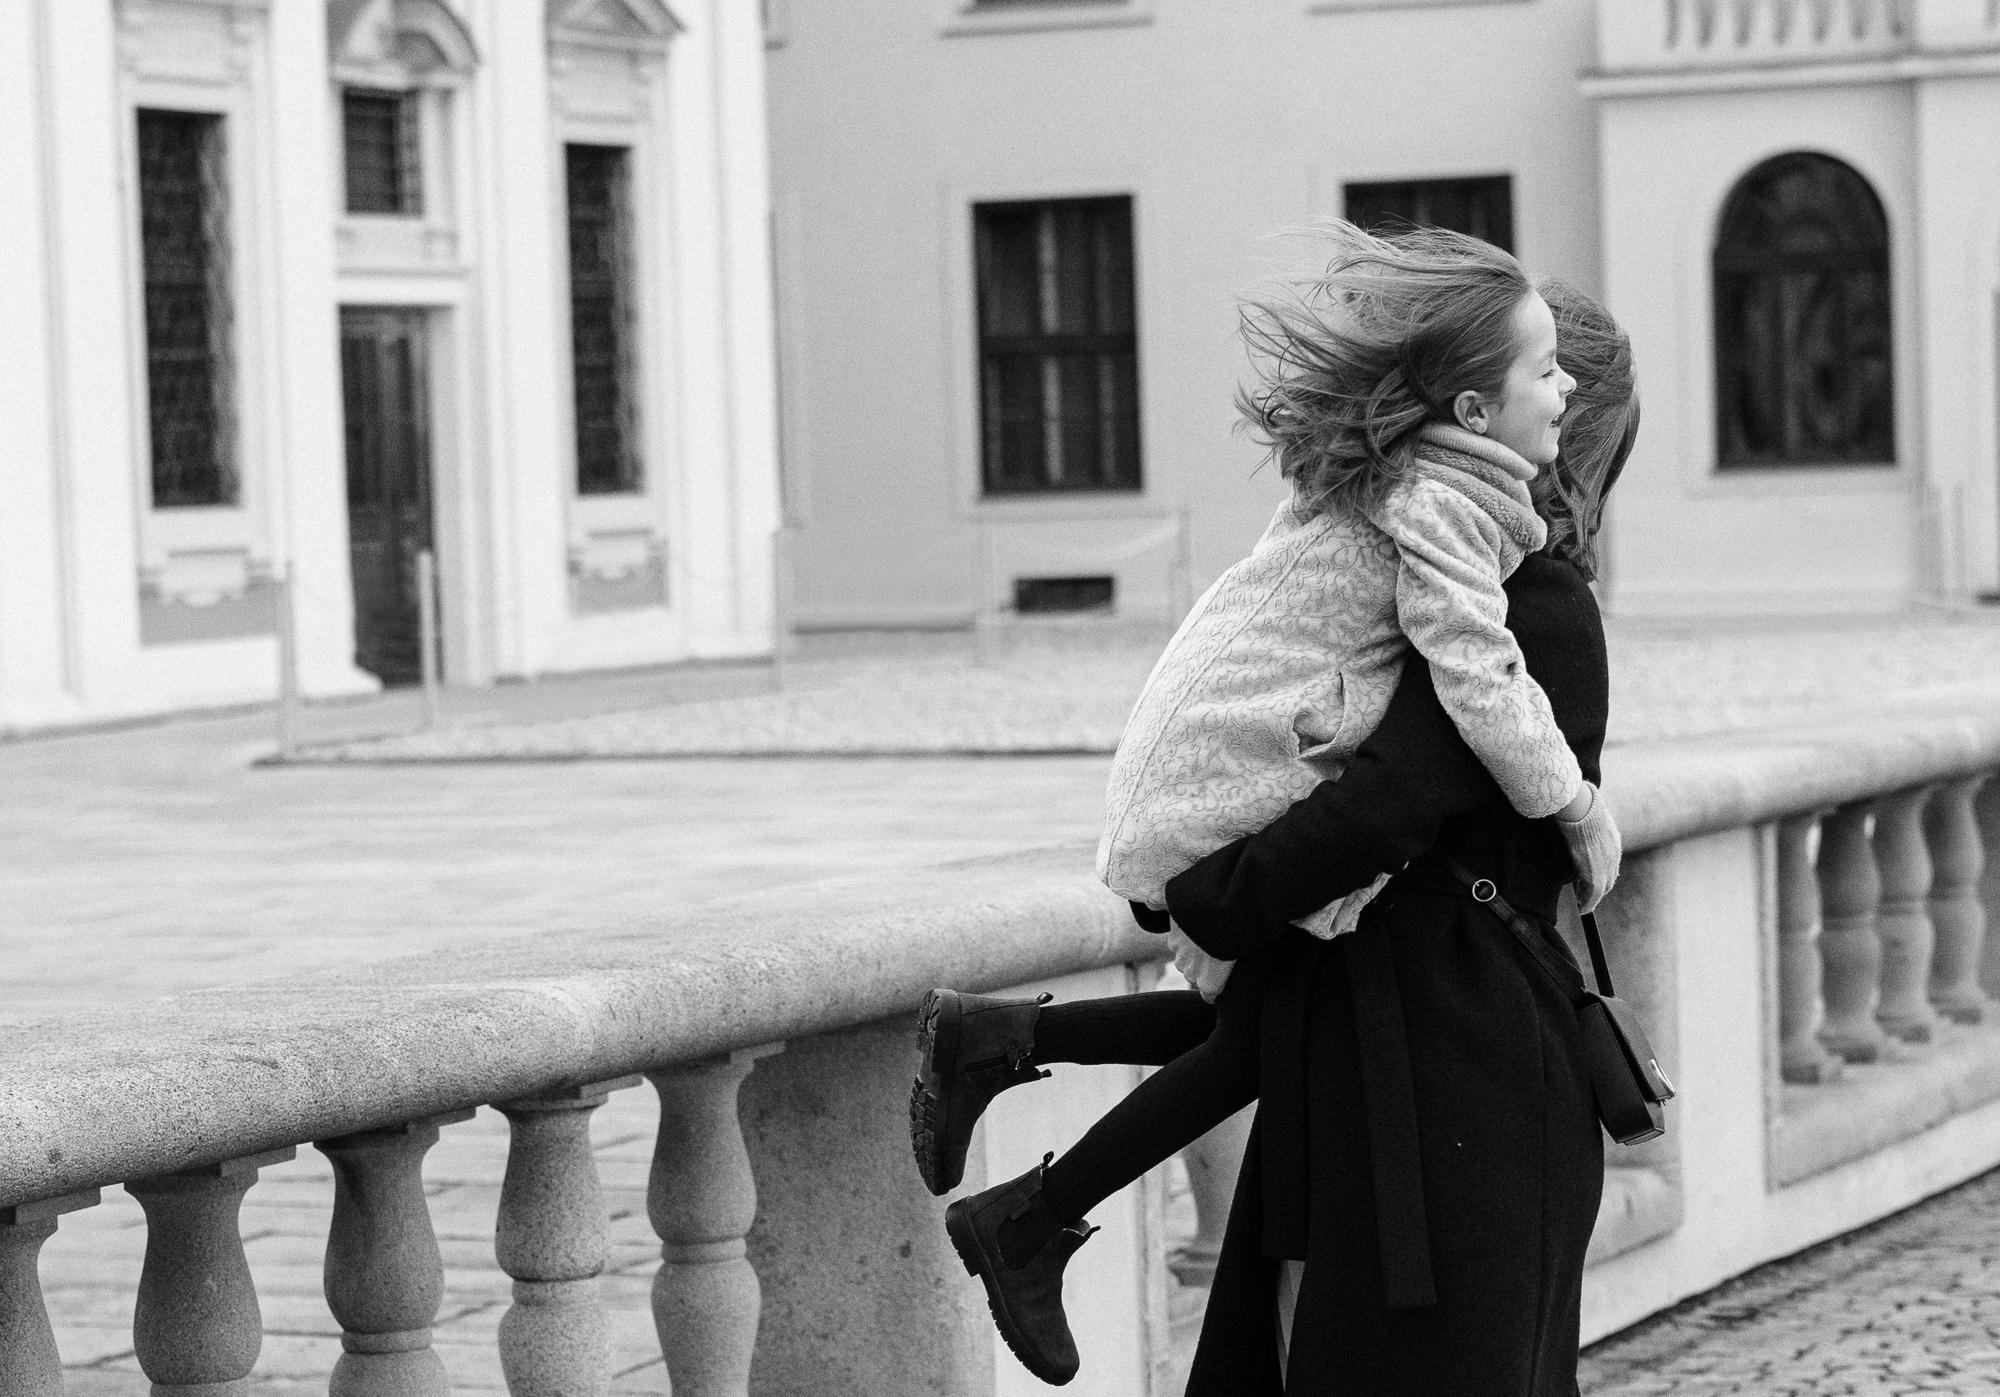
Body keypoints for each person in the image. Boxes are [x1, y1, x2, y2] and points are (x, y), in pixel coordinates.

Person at [910, 230, 1629, 1386]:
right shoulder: (1479, 564)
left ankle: (1020, 1125)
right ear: (1478, 410)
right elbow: (1399, 791)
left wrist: (1224, 897)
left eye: (1561, 375)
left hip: (1429, 1047)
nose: (1563, 390)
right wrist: (1580, 812)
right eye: (1543, 370)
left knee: (1244, 1023)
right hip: (1439, 1052)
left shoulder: (1488, 564)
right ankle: (1020, 1138)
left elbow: (1388, 800)